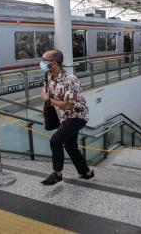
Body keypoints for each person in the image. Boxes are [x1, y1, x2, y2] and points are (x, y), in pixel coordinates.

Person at [40, 49, 94, 186]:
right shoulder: (48, 76)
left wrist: (49, 99)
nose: (41, 63)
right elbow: (46, 93)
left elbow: (69, 106)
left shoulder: (70, 80)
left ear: (54, 63)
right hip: (64, 118)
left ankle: (57, 174)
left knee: (55, 141)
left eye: (44, 61)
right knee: (70, 145)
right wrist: (46, 102)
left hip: (77, 116)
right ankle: (86, 172)